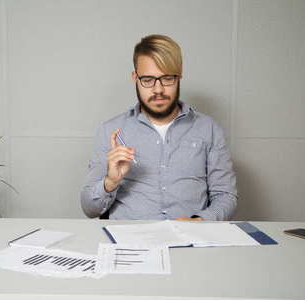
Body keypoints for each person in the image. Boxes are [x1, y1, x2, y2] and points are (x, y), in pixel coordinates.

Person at [81, 34, 238, 221]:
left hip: (189, 242)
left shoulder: (210, 130)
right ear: (135, 78)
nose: (158, 90)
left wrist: (200, 221)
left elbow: (226, 197)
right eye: (148, 79)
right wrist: (111, 182)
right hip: (130, 242)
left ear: (179, 76)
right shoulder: (111, 131)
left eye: (167, 78)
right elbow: (89, 209)